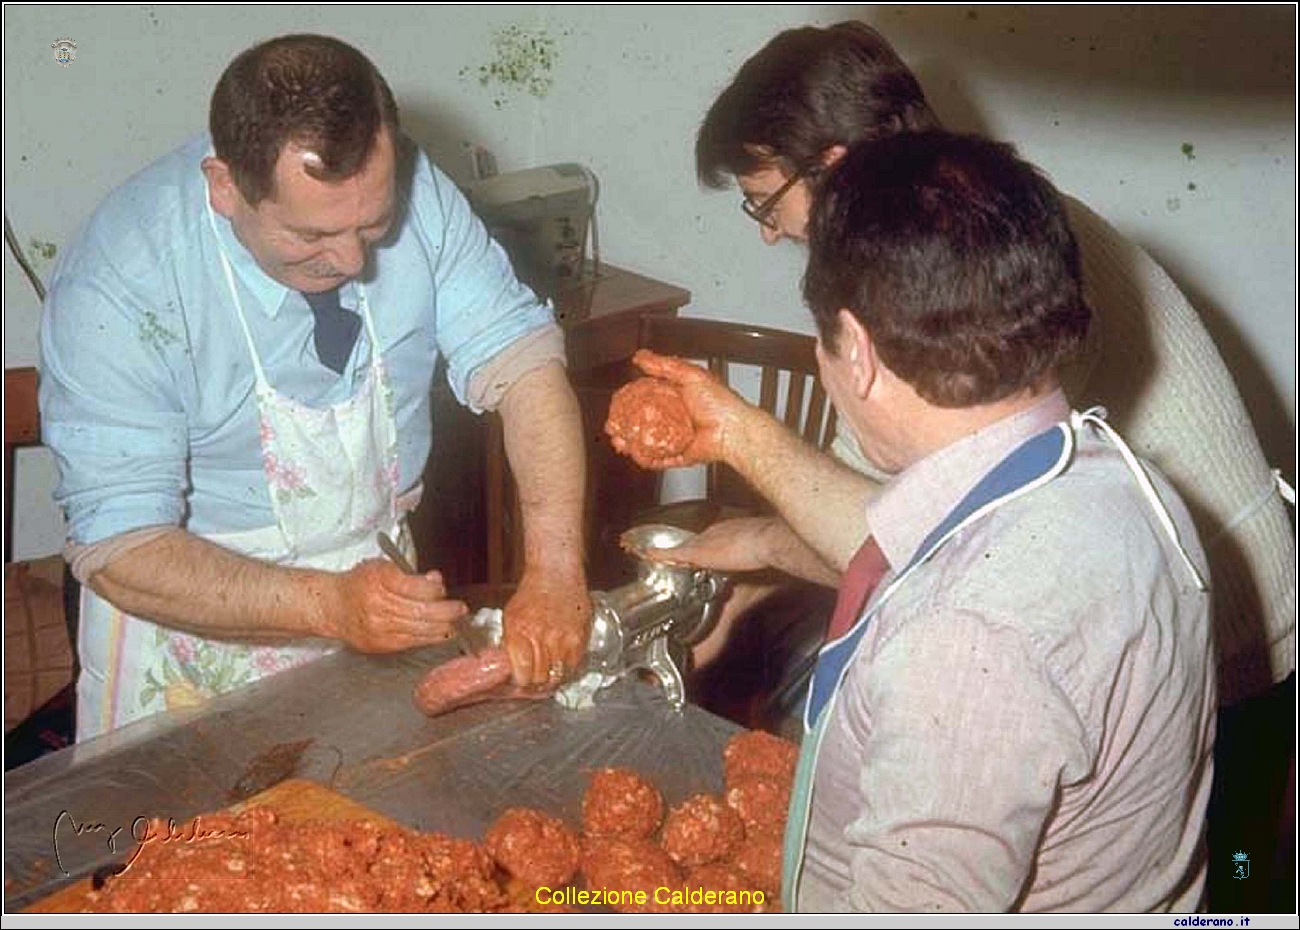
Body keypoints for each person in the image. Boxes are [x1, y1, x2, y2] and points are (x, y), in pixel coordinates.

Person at [629, 130, 1216, 911]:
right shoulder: (1110, 478)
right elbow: (911, 554)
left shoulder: (963, 637)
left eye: (824, 344)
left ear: (860, 354)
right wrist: (738, 434)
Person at [674, 21, 1294, 731]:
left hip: (1227, 649)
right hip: (1144, 626)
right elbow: (868, 503)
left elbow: (919, 541)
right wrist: (756, 575)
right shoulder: (942, 246)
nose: (768, 231)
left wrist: (752, 505)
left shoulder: (970, 270)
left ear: (832, 165)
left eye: (763, 200)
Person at [38, 34, 591, 742]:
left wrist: (553, 569)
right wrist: (329, 608)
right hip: (187, 643)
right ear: (225, 185)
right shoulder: (121, 278)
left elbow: (526, 368)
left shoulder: (420, 194)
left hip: (376, 602)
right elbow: (121, 546)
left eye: (374, 223)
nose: (355, 260)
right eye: (312, 236)